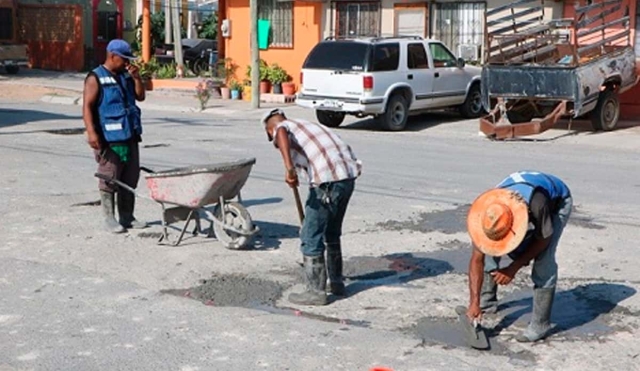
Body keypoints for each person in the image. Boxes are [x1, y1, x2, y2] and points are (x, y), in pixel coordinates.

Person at [261, 108, 362, 306]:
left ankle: (316, 292)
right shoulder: (308, 125)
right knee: (331, 232)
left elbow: (281, 133)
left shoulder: (282, 128)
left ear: (268, 130)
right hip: (347, 178)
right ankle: (336, 283)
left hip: (328, 182)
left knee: (310, 235)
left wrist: (289, 169)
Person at [465, 170, 572, 342]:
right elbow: (477, 260)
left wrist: (513, 268)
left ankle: (540, 324)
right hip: (520, 198)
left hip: (556, 201)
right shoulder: (487, 211)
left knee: (544, 260)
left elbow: (543, 240)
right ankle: (486, 301)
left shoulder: (538, 204)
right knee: (491, 249)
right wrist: (474, 302)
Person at [82, 39, 147, 234]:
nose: (127, 63)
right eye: (124, 59)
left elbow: (140, 97)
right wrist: (92, 133)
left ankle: (127, 216)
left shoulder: (126, 76)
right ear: (112, 56)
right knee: (109, 177)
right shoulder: (96, 77)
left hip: (130, 134)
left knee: (130, 177)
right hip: (109, 138)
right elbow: (87, 107)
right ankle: (109, 218)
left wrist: (136, 78)